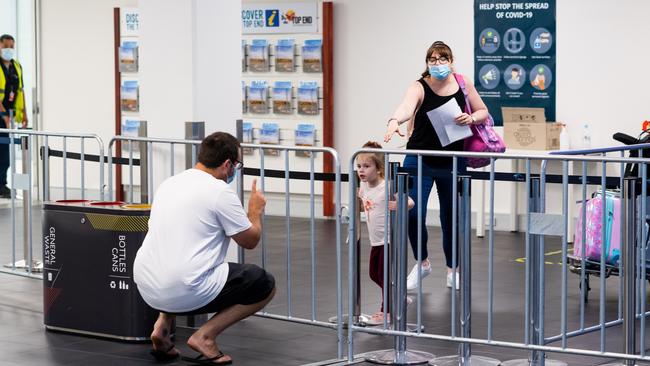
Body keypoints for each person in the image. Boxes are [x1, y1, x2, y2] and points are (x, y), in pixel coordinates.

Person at [133, 132, 276, 365]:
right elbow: (250, 240)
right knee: (263, 283)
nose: (235, 171)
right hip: (182, 288)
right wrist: (254, 211)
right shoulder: (220, 192)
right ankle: (205, 337)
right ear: (228, 164)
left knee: (177, 258)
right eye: (237, 165)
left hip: (146, 286)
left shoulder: (170, 183)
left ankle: (161, 326)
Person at [383, 41, 489, 291]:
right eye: (433, 59)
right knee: (410, 211)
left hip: (453, 161)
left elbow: (483, 110)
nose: (438, 63)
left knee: (451, 217)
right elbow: (407, 106)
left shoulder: (463, 83)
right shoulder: (419, 86)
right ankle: (422, 263)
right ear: (427, 62)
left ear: (451, 61)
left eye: (443, 59)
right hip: (419, 158)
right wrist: (393, 121)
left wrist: (471, 117)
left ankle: (454, 269)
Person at [356, 141, 414, 325]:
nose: (361, 170)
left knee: (383, 274)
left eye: (366, 166)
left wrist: (398, 205)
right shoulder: (364, 186)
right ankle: (399, 296)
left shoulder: (387, 186)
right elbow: (363, 203)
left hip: (389, 239)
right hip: (376, 240)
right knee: (374, 273)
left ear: (379, 168)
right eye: (359, 166)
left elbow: (410, 202)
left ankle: (386, 311)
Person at [0, 34, 28, 199]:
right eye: (5, 46)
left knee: (5, 152)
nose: (9, 50)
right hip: (2, 114)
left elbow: (20, 91)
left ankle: (2, 184)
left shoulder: (16, 66)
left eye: (12, 46)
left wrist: (23, 113)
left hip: (9, 114)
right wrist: (3, 114)